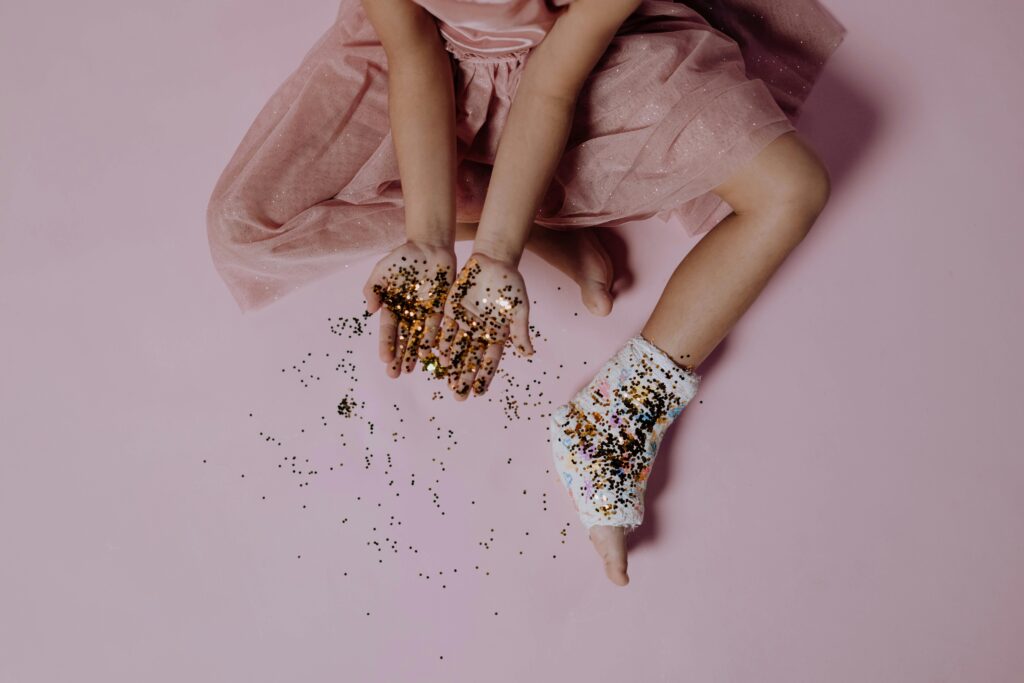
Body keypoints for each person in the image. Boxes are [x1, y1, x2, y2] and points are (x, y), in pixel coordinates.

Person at [206, 0, 847, 586]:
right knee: (245, 227)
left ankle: (615, 418)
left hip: (580, 64)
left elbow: (553, 80)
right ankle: (527, 218)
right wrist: (429, 239)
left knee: (791, 188)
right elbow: (411, 52)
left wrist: (494, 252)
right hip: (428, 68)